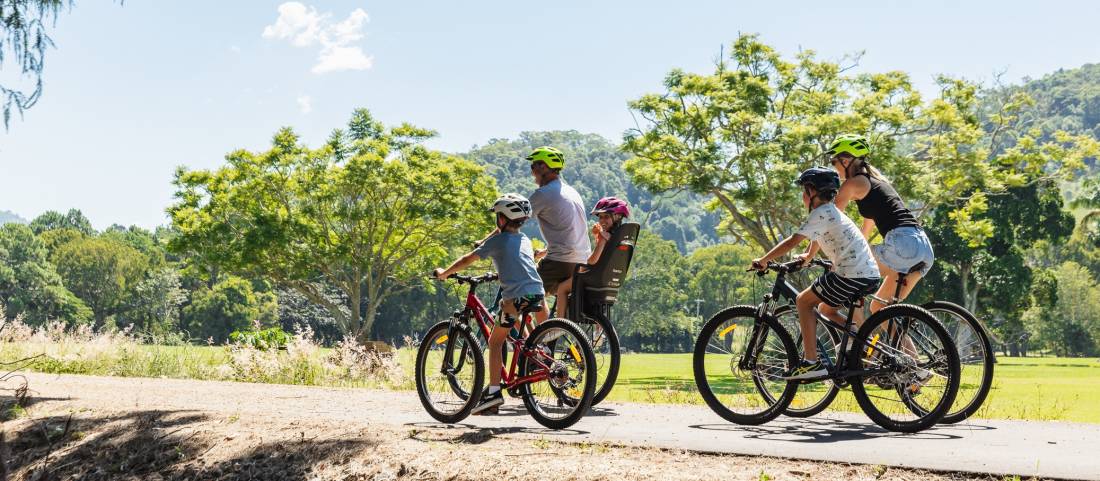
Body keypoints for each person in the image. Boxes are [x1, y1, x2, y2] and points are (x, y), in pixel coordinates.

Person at [751, 167, 880, 380]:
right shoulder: (831, 212)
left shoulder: (821, 212)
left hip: (850, 274)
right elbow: (816, 236)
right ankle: (858, 341)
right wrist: (809, 256)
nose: (802, 196)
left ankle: (811, 362)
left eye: (804, 191)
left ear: (811, 192)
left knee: (803, 302)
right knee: (826, 309)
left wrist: (764, 260)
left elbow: (793, 240)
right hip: (866, 274)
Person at [434, 193, 545, 414]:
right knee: (511, 316)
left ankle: (494, 393)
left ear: (502, 219)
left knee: (495, 343)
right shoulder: (524, 239)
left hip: (517, 296)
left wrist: (445, 273)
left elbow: (467, 259)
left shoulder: (496, 241)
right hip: (537, 293)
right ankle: (536, 354)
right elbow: (520, 262)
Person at [823, 134, 935, 315]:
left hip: (903, 244)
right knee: (879, 308)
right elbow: (865, 231)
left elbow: (826, 220)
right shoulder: (877, 185)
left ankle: (856, 340)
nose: (834, 167)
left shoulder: (852, 184)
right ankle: (893, 344)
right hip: (923, 248)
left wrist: (821, 255)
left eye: (833, 161)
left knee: (849, 280)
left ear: (845, 161)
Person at [526, 146, 592, 320]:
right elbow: (569, 232)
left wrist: (484, 242)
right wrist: (546, 251)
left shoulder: (543, 193)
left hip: (561, 262)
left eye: (534, 166)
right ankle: (546, 335)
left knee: (526, 290)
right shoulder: (572, 191)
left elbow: (512, 220)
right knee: (537, 292)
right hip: (582, 261)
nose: (532, 171)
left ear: (544, 168)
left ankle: (540, 340)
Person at [555, 196, 631, 309]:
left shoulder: (603, 237)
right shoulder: (618, 238)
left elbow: (592, 260)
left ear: (617, 217)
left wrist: (599, 239)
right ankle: (600, 326)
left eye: (606, 217)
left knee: (562, 288)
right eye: (600, 217)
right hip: (609, 279)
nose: (602, 221)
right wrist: (598, 236)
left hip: (593, 279)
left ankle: (559, 324)